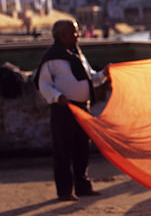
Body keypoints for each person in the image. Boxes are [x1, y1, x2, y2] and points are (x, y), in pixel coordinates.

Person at [34, 20, 110, 202]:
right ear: (62, 35)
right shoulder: (52, 57)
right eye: (73, 33)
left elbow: (91, 77)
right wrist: (56, 96)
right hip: (64, 110)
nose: (77, 35)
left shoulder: (78, 55)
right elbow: (42, 83)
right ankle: (65, 190)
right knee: (63, 150)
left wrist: (104, 74)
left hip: (83, 109)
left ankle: (83, 186)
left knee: (82, 148)